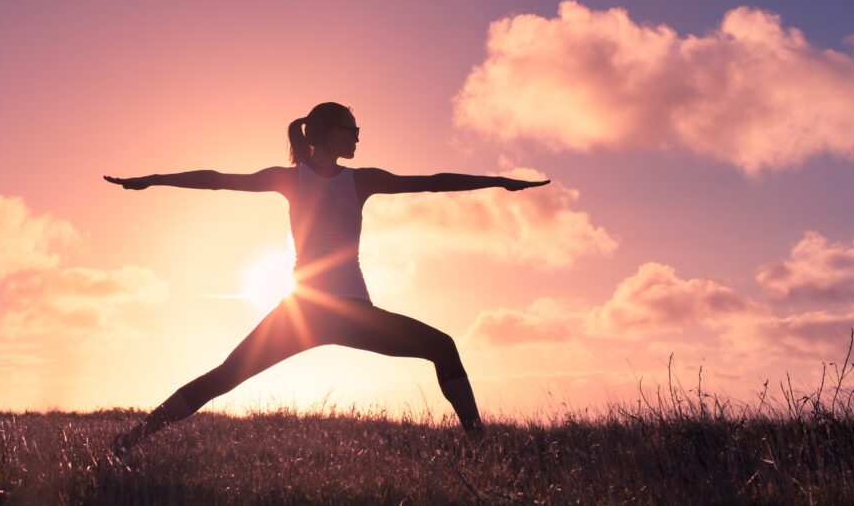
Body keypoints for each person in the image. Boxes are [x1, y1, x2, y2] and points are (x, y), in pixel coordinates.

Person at [104, 101, 548, 451]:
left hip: (323, 311)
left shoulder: (359, 180)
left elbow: (432, 181)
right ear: (330, 134)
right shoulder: (291, 178)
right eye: (352, 130)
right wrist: (153, 179)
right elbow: (218, 179)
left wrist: (498, 181)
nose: (358, 137)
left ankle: (481, 446)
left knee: (441, 348)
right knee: (224, 377)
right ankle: (129, 440)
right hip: (320, 311)